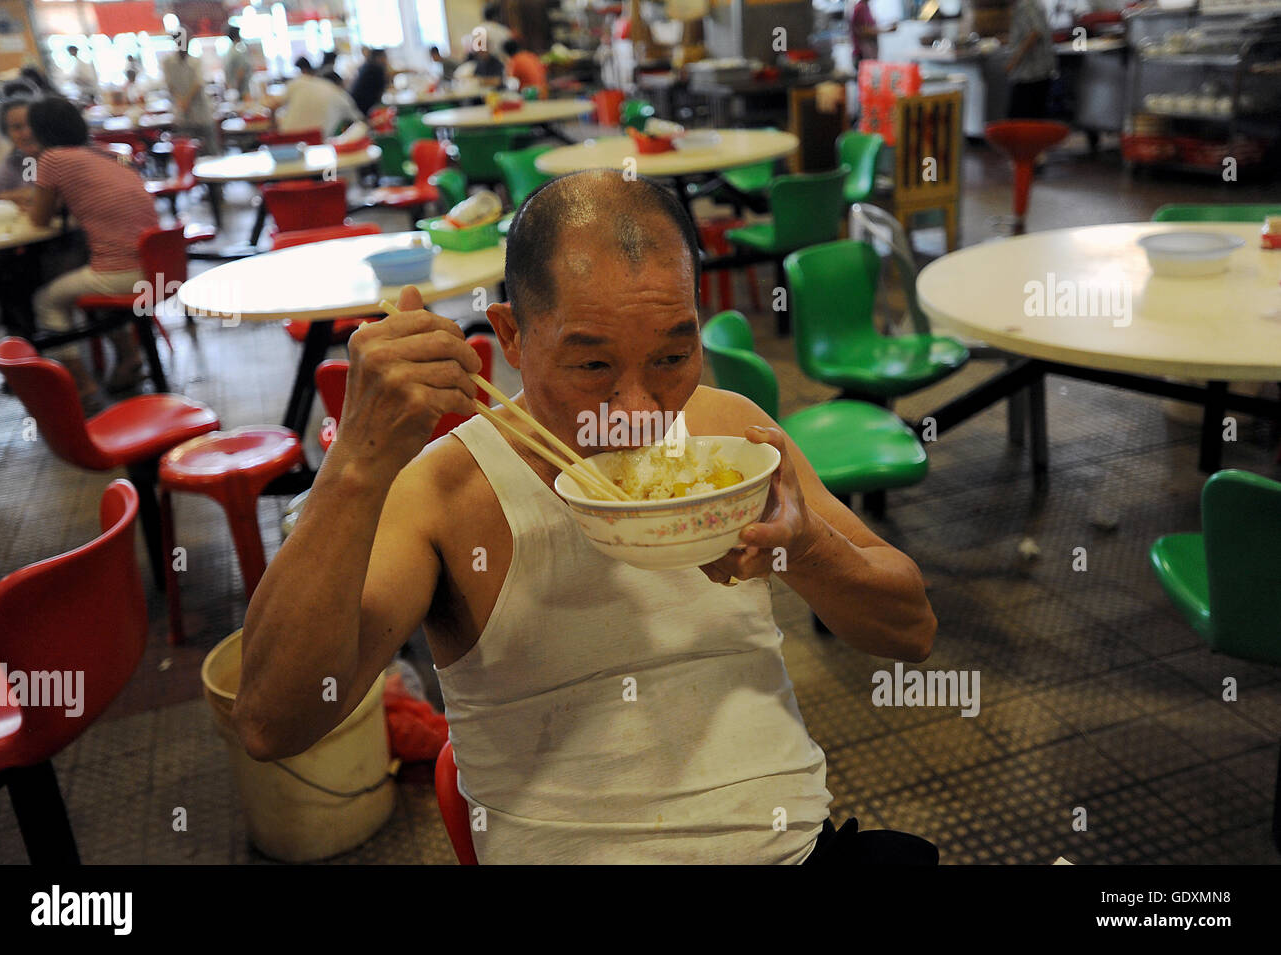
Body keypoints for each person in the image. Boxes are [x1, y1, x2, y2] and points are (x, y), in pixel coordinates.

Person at [233, 169, 940, 865]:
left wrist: (804, 550)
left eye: (672, 354)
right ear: (510, 337)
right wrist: (356, 461)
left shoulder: (733, 441)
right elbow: (272, 719)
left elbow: (912, 629)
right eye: (593, 367)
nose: (637, 414)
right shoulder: (444, 493)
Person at [15, 98, 159, 405]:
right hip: (158, 265)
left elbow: (39, 219)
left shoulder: (53, 159)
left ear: (41, 130)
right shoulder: (105, 152)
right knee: (85, 281)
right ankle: (128, 359)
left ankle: (82, 386)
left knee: (45, 300)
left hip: (124, 272)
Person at [163, 32, 215, 152]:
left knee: (208, 146)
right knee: (187, 146)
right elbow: (169, 84)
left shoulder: (195, 61)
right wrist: (181, 101)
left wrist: (186, 100)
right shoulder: (169, 63)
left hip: (200, 110)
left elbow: (198, 83)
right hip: (182, 113)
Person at [276, 67, 362, 139]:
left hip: (287, 138)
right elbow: (358, 120)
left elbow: (277, 105)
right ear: (340, 84)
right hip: (318, 142)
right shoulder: (338, 93)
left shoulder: (298, 82)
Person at [1005, 0, 1057, 118]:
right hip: (1032, 73)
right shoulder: (1024, 5)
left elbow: (1035, 32)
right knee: (1032, 117)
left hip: (1031, 73)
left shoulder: (1027, 5)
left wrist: (1014, 61)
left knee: (1023, 118)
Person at [0, 97, 36, 198]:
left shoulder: (57, 158)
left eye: (32, 124)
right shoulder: (14, 162)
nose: (27, 133)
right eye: (17, 127)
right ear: (7, 134)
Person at [850, 0, 897, 71]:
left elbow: (871, 26)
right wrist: (887, 30)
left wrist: (887, 26)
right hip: (862, 54)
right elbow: (864, 30)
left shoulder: (866, 7)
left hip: (869, 54)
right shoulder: (860, 8)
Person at [348, 47, 388, 117]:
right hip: (363, 108)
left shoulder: (367, 66)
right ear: (379, 57)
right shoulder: (377, 69)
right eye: (385, 57)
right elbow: (381, 91)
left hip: (354, 104)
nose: (386, 60)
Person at [224, 24, 252, 100]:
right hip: (241, 88)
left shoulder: (229, 51)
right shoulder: (238, 51)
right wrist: (236, 87)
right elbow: (241, 71)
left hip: (235, 87)